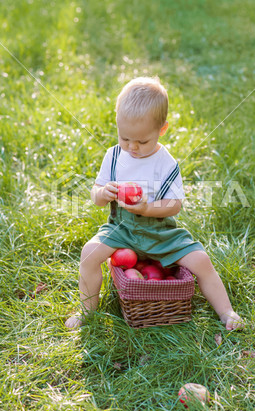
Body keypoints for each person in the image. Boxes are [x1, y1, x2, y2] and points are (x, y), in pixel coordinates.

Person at [65, 77, 244, 330]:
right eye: (125, 138)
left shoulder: (166, 163)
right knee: (89, 254)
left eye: (142, 141)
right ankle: (87, 310)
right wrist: (103, 192)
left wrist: (147, 208)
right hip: (122, 229)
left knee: (201, 260)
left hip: (160, 231)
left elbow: (174, 205)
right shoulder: (114, 156)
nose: (132, 147)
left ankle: (226, 312)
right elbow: (95, 196)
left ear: (162, 130)